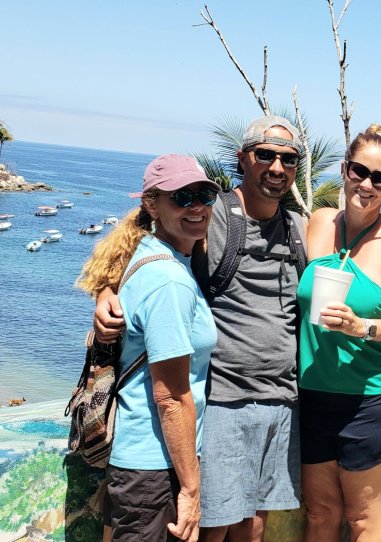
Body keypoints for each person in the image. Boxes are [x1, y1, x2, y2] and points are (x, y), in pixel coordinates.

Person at [94, 116, 309, 541]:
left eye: (288, 159)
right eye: (265, 155)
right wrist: (104, 290)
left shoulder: (300, 227)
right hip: (221, 401)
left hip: (282, 399)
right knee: (213, 526)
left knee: (254, 526)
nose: (277, 167)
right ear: (243, 159)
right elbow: (144, 252)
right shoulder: (214, 219)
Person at [78, 154, 219, 542]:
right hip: (154, 468)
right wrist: (190, 489)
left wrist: (103, 292)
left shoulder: (146, 254)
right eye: (182, 197)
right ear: (152, 205)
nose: (196, 207)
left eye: (205, 196)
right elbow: (171, 396)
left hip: (137, 461)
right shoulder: (169, 280)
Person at [299, 124, 381, 541]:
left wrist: (363, 327)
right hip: (312, 393)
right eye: (359, 171)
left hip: (369, 401)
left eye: (380, 178)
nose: (367, 184)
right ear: (344, 170)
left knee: (362, 519)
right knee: (320, 513)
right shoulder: (319, 222)